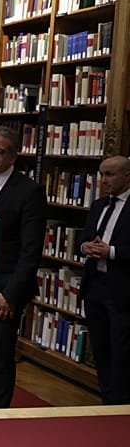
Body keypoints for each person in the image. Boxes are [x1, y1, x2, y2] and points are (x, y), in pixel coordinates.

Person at [0, 126, 46, 408]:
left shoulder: (29, 191)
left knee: (1, 353)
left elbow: (31, 250)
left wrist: (11, 294)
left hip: (3, 289)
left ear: (13, 156)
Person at [78, 155, 130, 404]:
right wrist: (85, 247)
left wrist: (111, 252)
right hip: (94, 286)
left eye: (110, 174)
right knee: (100, 348)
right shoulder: (99, 205)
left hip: (122, 291)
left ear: (127, 176)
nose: (103, 180)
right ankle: (106, 400)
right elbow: (84, 238)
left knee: (121, 352)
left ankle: (119, 405)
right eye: (101, 174)